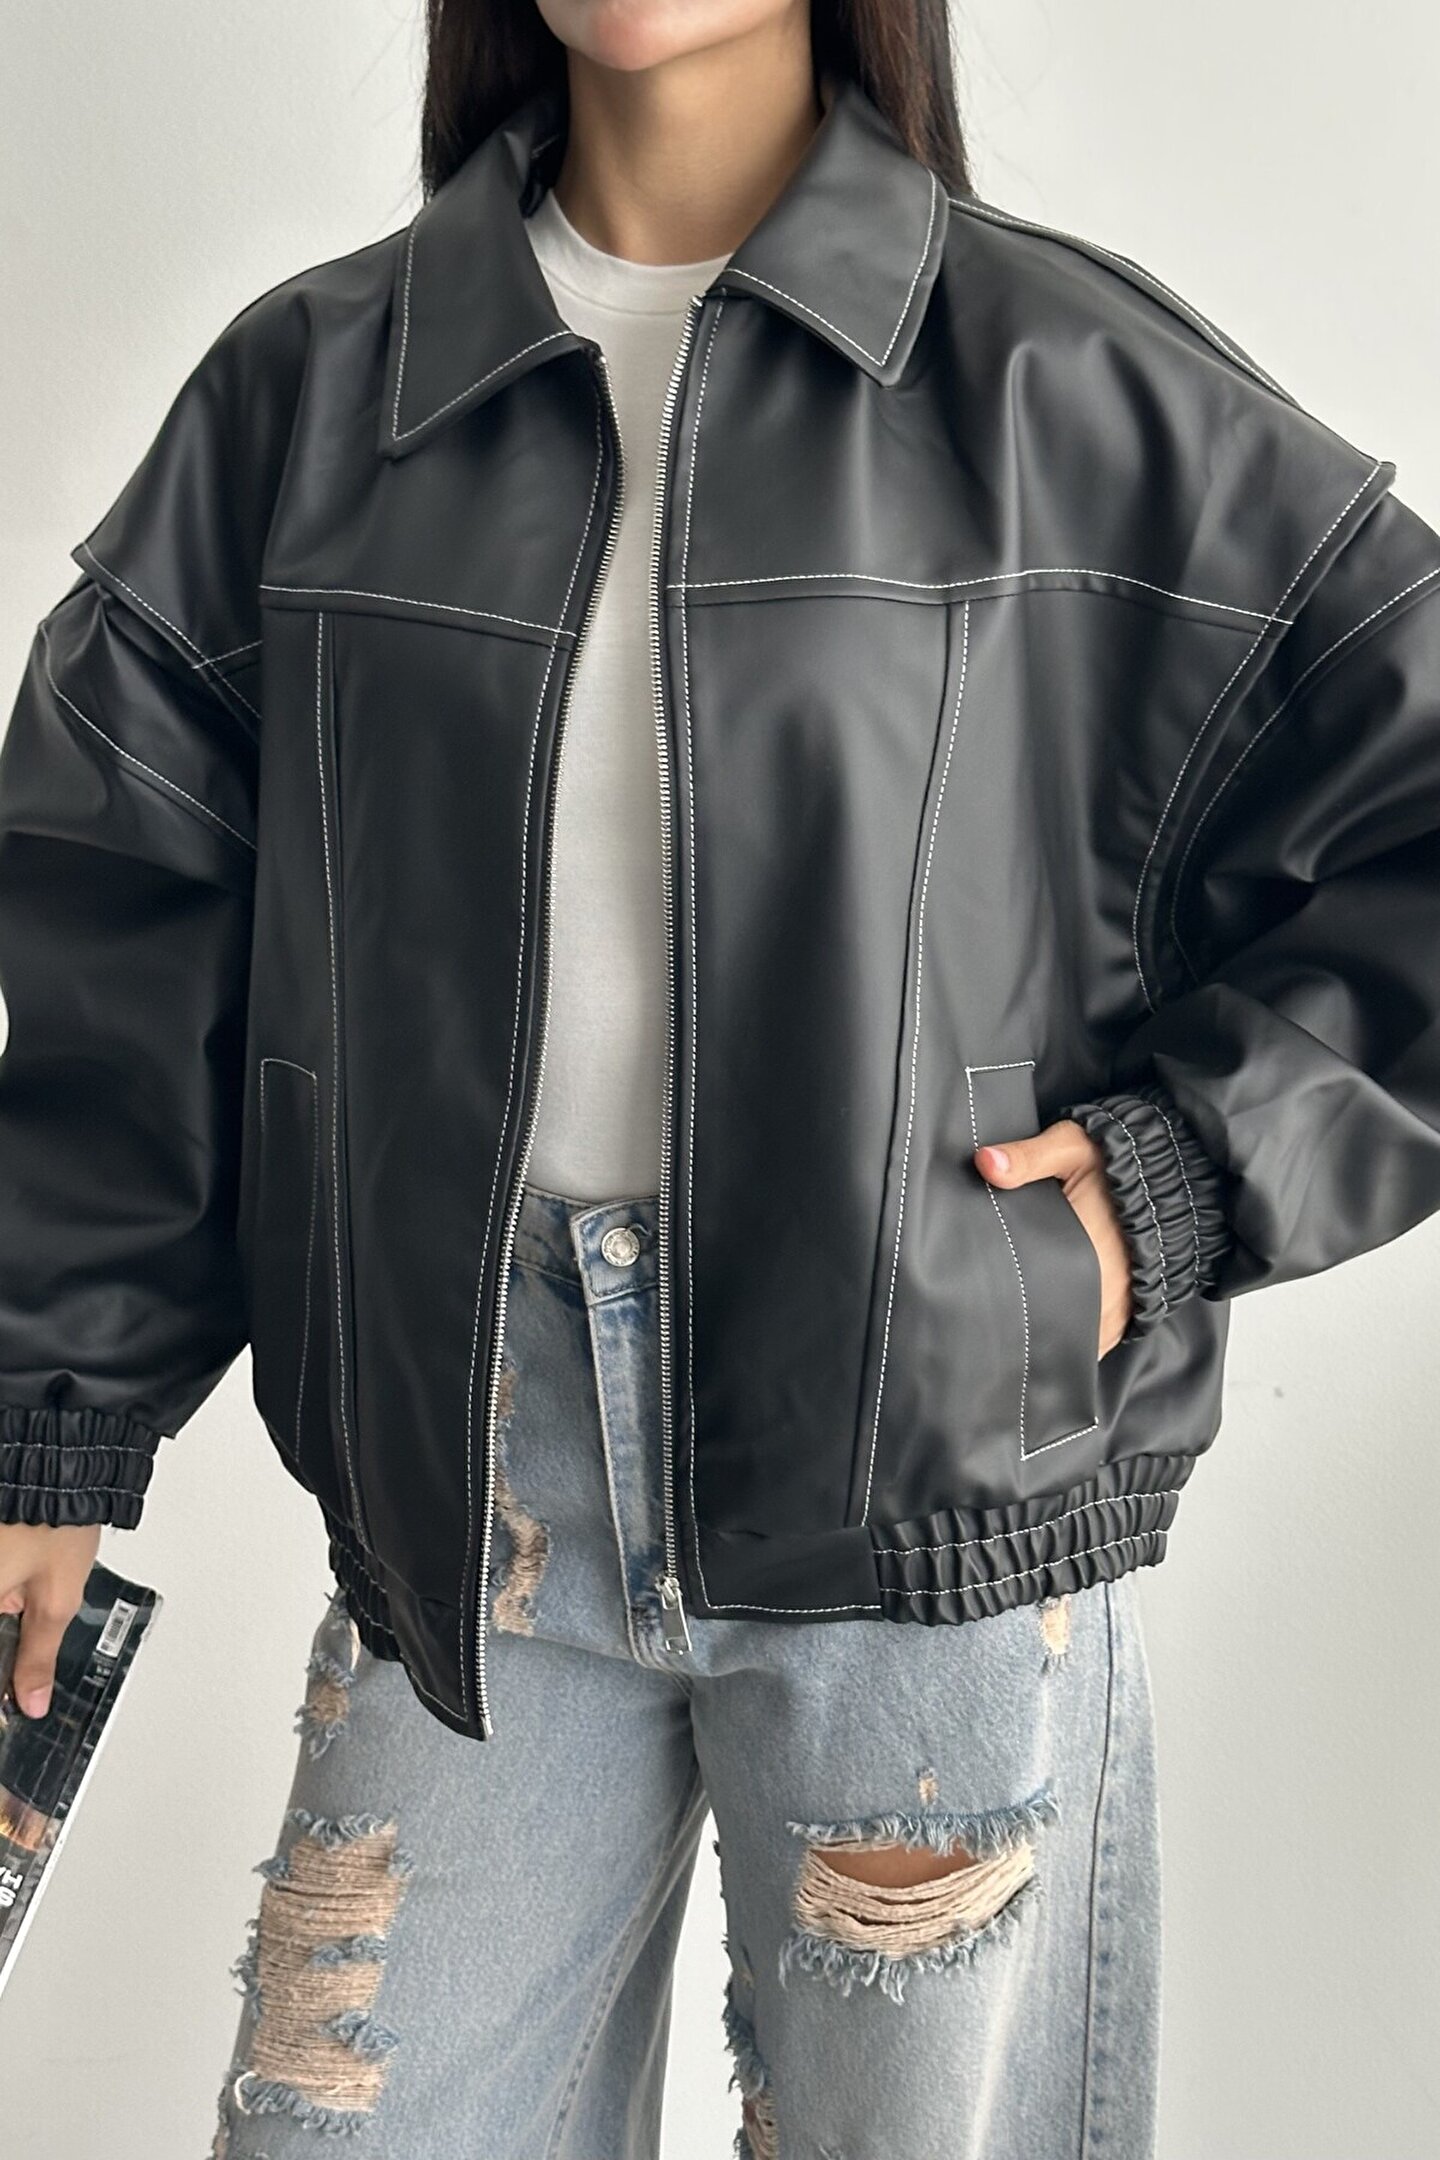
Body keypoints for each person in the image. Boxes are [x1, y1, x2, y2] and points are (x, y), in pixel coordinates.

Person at [3, 1, 1439, 2153]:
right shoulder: (314, 391)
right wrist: (55, 1414)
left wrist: (1175, 1178)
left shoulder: (1067, 381)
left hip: (925, 1502)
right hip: (470, 1519)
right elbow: (132, 936)